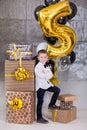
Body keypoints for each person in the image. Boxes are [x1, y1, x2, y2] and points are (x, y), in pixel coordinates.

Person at [35, 49, 60, 124]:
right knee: (40, 101)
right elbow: (41, 76)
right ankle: (39, 117)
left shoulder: (47, 66)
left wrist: (46, 73)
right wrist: (46, 73)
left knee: (57, 90)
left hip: (46, 84)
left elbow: (50, 75)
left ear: (47, 58)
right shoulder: (37, 67)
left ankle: (51, 104)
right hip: (40, 86)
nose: (43, 59)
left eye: (44, 57)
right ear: (38, 58)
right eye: (41, 57)